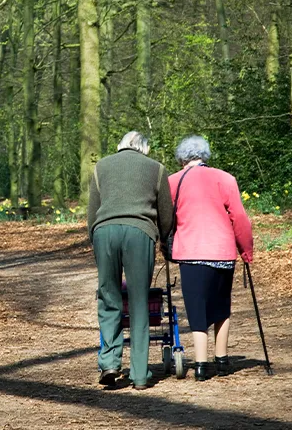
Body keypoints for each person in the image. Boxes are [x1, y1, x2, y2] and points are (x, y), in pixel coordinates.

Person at [88, 131, 174, 390]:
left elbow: (93, 212)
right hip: (140, 232)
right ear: (144, 148)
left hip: (105, 231)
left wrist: (96, 237)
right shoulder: (157, 169)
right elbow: (166, 213)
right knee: (138, 301)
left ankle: (110, 363)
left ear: (121, 146)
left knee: (108, 296)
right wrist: (163, 238)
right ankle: (138, 375)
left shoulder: (100, 167)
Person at [168, 135, 253, 381]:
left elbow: (167, 219)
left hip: (191, 252)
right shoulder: (225, 178)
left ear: (182, 158)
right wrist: (246, 251)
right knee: (221, 305)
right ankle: (223, 360)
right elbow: (240, 217)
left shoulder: (173, 181)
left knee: (197, 307)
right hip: (222, 251)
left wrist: (166, 244)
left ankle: (202, 365)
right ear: (205, 156)